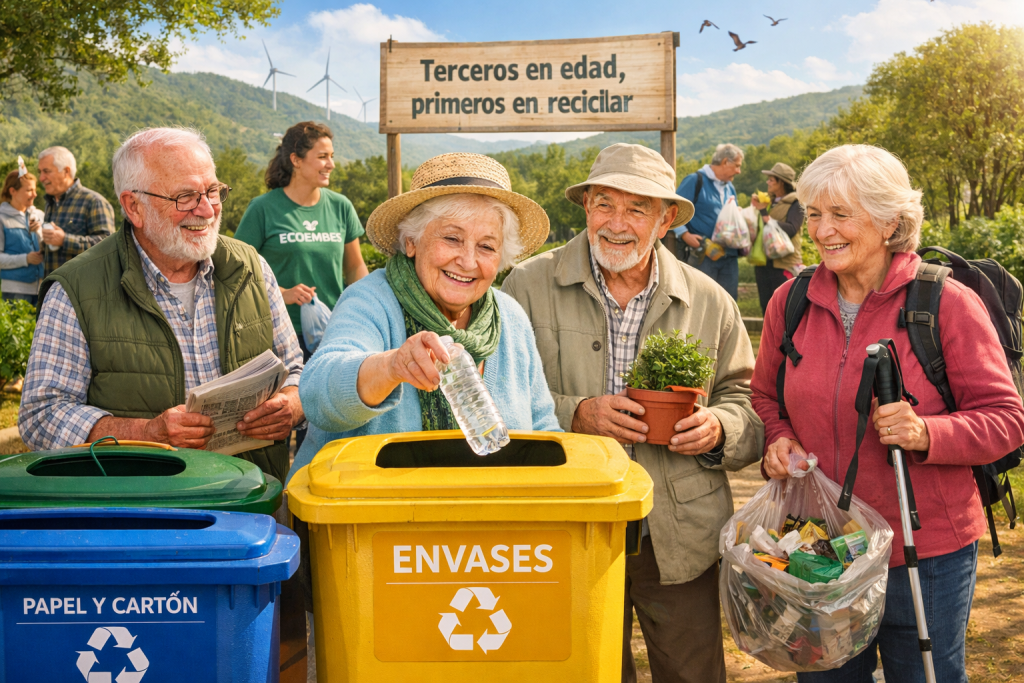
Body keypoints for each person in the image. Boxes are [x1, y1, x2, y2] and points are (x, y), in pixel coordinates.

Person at [751, 144, 1024, 683]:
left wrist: (927, 431)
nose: (823, 230)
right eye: (814, 215)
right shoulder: (792, 299)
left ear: (889, 221)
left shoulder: (944, 303)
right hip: (820, 547)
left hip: (926, 552)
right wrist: (778, 438)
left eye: (841, 215)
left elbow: (1006, 419)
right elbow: (766, 396)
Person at [290, 152, 560, 682]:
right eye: (451, 238)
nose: (468, 260)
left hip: (486, 556)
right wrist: (390, 365)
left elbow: (542, 429)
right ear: (411, 241)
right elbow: (319, 391)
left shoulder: (510, 318)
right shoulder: (371, 301)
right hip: (373, 556)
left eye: (486, 247)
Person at [502, 143, 764, 683]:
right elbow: (493, 397)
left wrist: (718, 429)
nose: (616, 224)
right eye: (603, 204)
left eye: (636, 209)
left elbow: (748, 403)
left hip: (679, 528)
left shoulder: (710, 300)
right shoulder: (526, 287)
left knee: (691, 672)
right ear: (585, 208)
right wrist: (577, 414)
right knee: (585, 672)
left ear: (667, 219)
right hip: (567, 524)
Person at [19, 127, 305, 483]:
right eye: (185, 196)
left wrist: (292, 405)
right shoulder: (77, 288)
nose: (207, 209)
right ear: (133, 207)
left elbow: (295, 369)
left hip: (252, 499)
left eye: (213, 191)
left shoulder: (251, 267)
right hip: (141, 513)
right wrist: (146, 434)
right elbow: (40, 417)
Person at [235, 121, 369, 359]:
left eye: (332, 156)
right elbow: (237, 273)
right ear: (296, 160)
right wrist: (281, 293)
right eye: (322, 157)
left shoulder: (341, 207)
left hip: (331, 333)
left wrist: (367, 306)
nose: (331, 164)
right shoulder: (263, 209)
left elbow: (355, 267)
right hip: (277, 335)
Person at [669, 143, 743, 300]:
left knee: (728, 301)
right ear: (724, 162)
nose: (739, 171)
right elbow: (673, 209)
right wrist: (684, 234)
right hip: (704, 253)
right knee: (702, 300)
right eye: (736, 166)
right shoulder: (695, 181)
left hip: (729, 255)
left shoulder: (730, 187)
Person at [36, 146, 116, 276]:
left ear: (66, 171)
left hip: (82, 292)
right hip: (53, 289)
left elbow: (108, 248)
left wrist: (65, 240)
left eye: (46, 171)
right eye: (40, 172)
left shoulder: (94, 202)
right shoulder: (50, 203)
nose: (41, 178)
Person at [750, 162, 804, 314]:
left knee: (783, 307)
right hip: (763, 261)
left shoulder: (795, 203)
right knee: (766, 306)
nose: (768, 182)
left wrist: (766, 217)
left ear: (781, 182)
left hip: (783, 263)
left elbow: (792, 229)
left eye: (771, 179)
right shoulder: (767, 202)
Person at [0, 168, 45, 305]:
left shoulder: (39, 215)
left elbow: (48, 249)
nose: (35, 194)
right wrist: (26, 259)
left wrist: (39, 232)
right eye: (29, 190)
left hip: (42, 289)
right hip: (15, 291)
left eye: (35, 190)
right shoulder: (1, 218)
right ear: (13, 191)